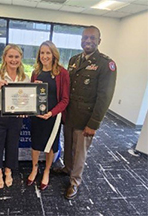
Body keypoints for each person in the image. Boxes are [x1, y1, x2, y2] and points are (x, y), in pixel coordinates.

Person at [54, 25, 117, 199]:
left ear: (99, 41)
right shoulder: (74, 59)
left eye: (92, 38)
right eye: (85, 38)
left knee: (80, 152)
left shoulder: (106, 64)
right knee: (68, 146)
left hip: (86, 118)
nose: (88, 41)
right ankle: (67, 168)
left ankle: (75, 182)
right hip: (70, 114)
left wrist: (94, 124)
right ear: (81, 39)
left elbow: (104, 97)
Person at [0, 44, 30, 189]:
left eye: (16, 57)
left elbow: (26, 101)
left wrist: (25, 110)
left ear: (21, 58)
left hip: (16, 118)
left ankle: (8, 170)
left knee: (12, 145)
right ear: (5, 58)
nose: (13, 59)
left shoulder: (25, 78)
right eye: (10, 56)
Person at [27, 41, 70, 190]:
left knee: (51, 145)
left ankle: (46, 171)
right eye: (42, 53)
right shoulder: (35, 72)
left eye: (48, 53)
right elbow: (32, 97)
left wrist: (51, 113)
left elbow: (65, 100)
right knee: (35, 144)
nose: (45, 56)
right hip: (37, 117)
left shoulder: (62, 73)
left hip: (53, 117)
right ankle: (34, 168)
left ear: (54, 54)